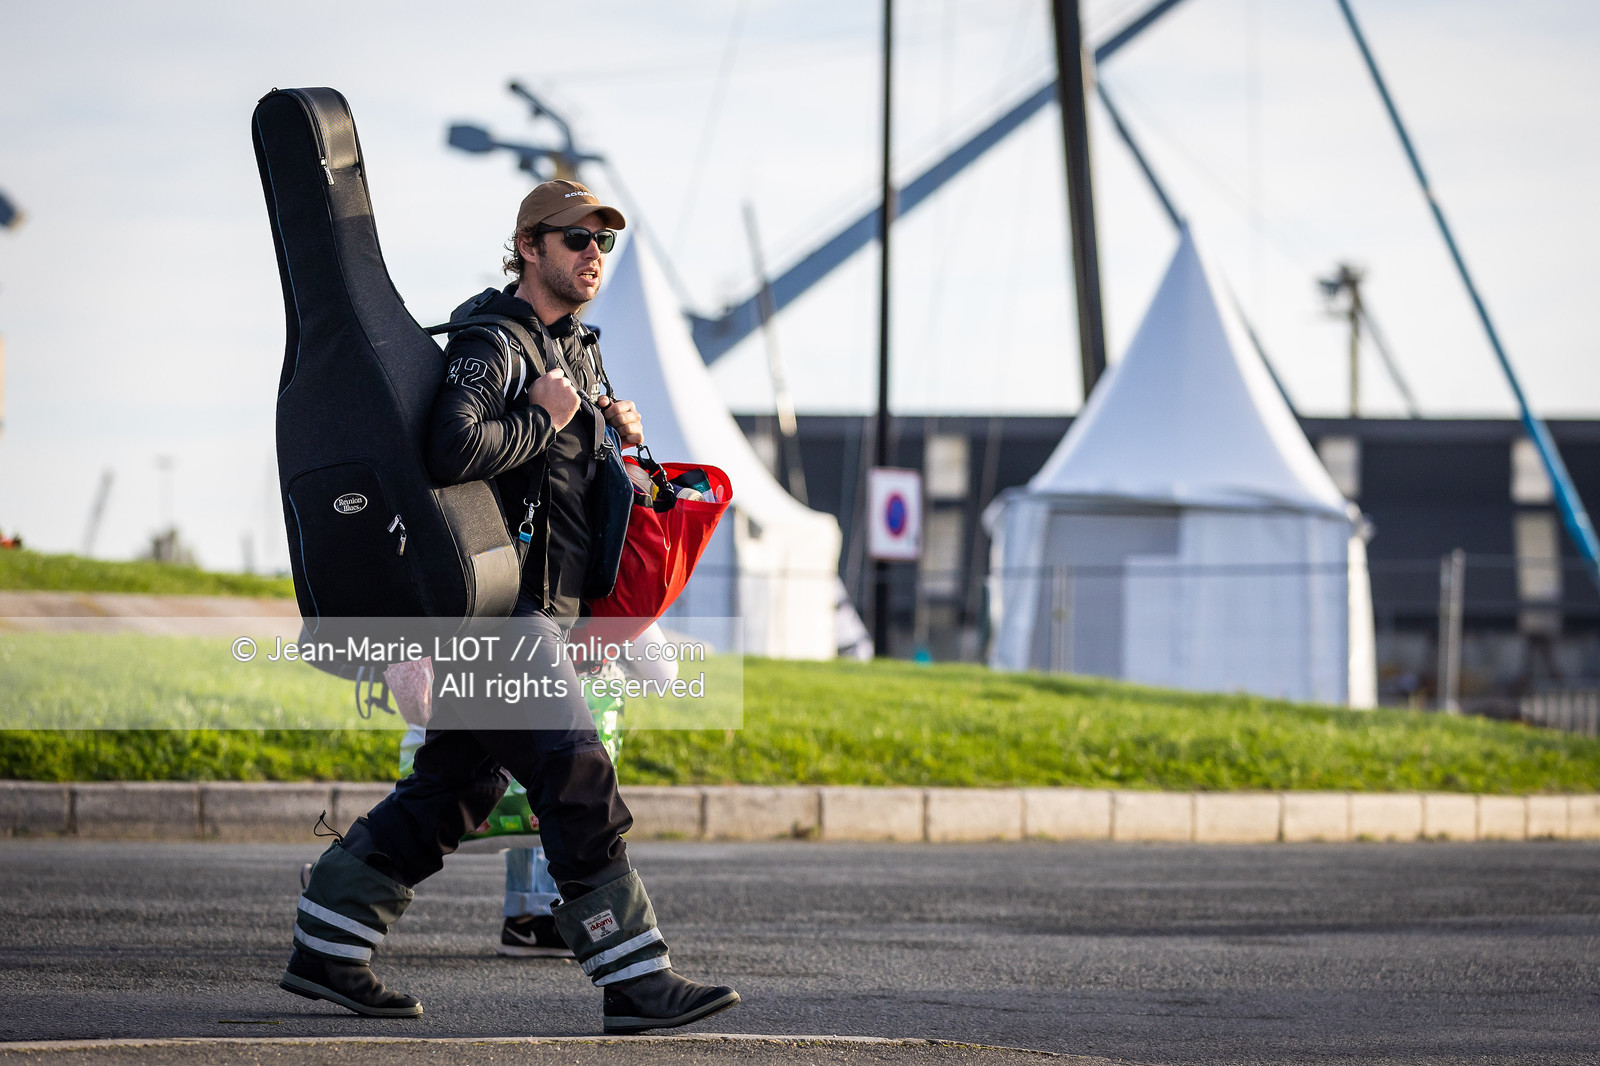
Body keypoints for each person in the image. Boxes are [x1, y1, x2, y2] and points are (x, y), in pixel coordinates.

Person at [280, 180, 739, 1034]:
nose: (592, 254)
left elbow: (559, 489)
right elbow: (450, 448)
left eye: (602, 241)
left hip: (545, 617)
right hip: (497, 620)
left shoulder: (576, 348)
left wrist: (608, 432)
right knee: (577, 773)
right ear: (529, 247)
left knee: (453, 789)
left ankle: (327, 943)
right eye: (574, 239)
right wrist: (542, 413)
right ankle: (635, 975)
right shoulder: (494, 343)